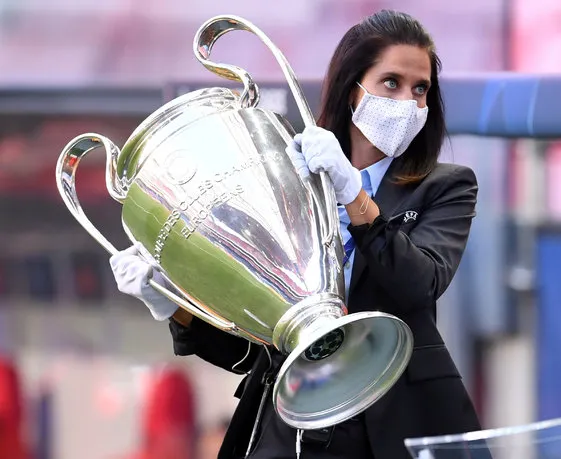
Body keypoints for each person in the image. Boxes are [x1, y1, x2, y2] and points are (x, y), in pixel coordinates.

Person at [109, 9, 482, 459]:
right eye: (391, 83)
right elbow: (257, 352)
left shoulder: (447, 185)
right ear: (352, 88)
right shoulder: (288, 178)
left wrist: (353, 194)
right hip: (295, 433)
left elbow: (420, 283)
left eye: (420, 89)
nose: (409, 101)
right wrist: (174, 305)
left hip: (393, 428)